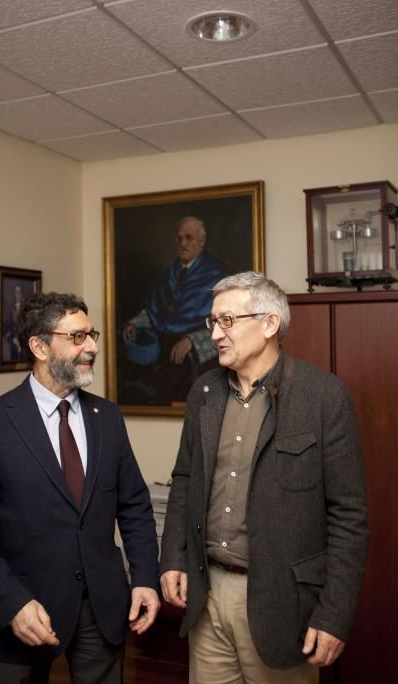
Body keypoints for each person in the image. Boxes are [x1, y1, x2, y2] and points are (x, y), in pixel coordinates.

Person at [160, 272, 368, 684]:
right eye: (212, 322)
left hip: (282, 601)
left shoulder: (323, 397)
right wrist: (172, 558)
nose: (216, 333)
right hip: (207, 595)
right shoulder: (204, 392)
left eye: (228, 321)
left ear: (270, 324)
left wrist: (334, 614)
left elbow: (349, 518)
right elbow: (184, 479)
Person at [0, 292, 160, 684]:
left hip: (102, 606)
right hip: (22, 613)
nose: (93, 347)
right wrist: (12, 604)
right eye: (78, 337)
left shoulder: (108, 418)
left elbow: (134, 506)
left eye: (91, 334)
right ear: (40, 346)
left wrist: (146, 577)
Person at [121, 216, 226, 405]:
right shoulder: (171, 272)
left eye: (189, 238)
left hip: (189, 353)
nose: (183, 244)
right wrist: (135, 323)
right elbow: (157, 309)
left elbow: (227, 325)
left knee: (162, 388)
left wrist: (193, 340)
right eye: (179, 239)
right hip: (161, 346)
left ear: (202, 242)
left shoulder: (216, 276)